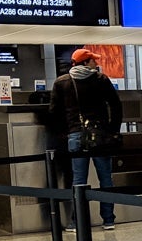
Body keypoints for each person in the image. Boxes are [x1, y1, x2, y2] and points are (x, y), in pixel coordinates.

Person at [48, 47, 123, 231]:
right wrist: (112, 129)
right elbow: (116, 105)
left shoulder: (62, 83)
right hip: (100, 135)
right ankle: (108, 220)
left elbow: (54, 113)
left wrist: (65, 133)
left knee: (78, 180)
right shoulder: (100, 80)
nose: (96, 63)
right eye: (93, 60)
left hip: (76, 136)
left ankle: (77, 221)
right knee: (105, 178)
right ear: (85, 63)